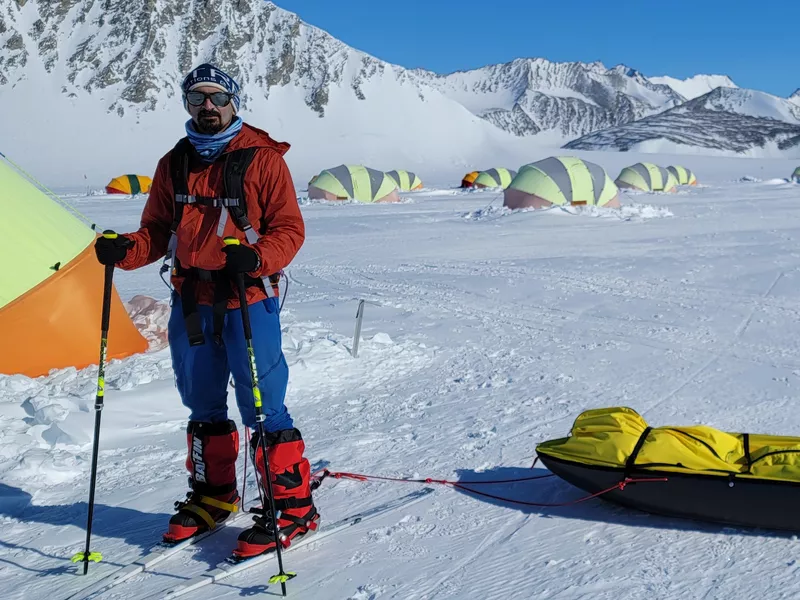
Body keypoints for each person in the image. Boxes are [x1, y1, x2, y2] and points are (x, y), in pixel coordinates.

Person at [94, 64, 318, 560]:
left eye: (217, 97)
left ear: (234, 101)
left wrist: (257, 257)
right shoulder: (173, 163)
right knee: (201, 400)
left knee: (263, 404)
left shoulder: (262, 160)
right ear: (187, 105)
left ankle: (293, 505)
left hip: (248, 298)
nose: (208, 107)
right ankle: (215, 495)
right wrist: (124, 249)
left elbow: (289, 229)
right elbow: (155, 230)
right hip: (192, 300)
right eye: (198, 99)